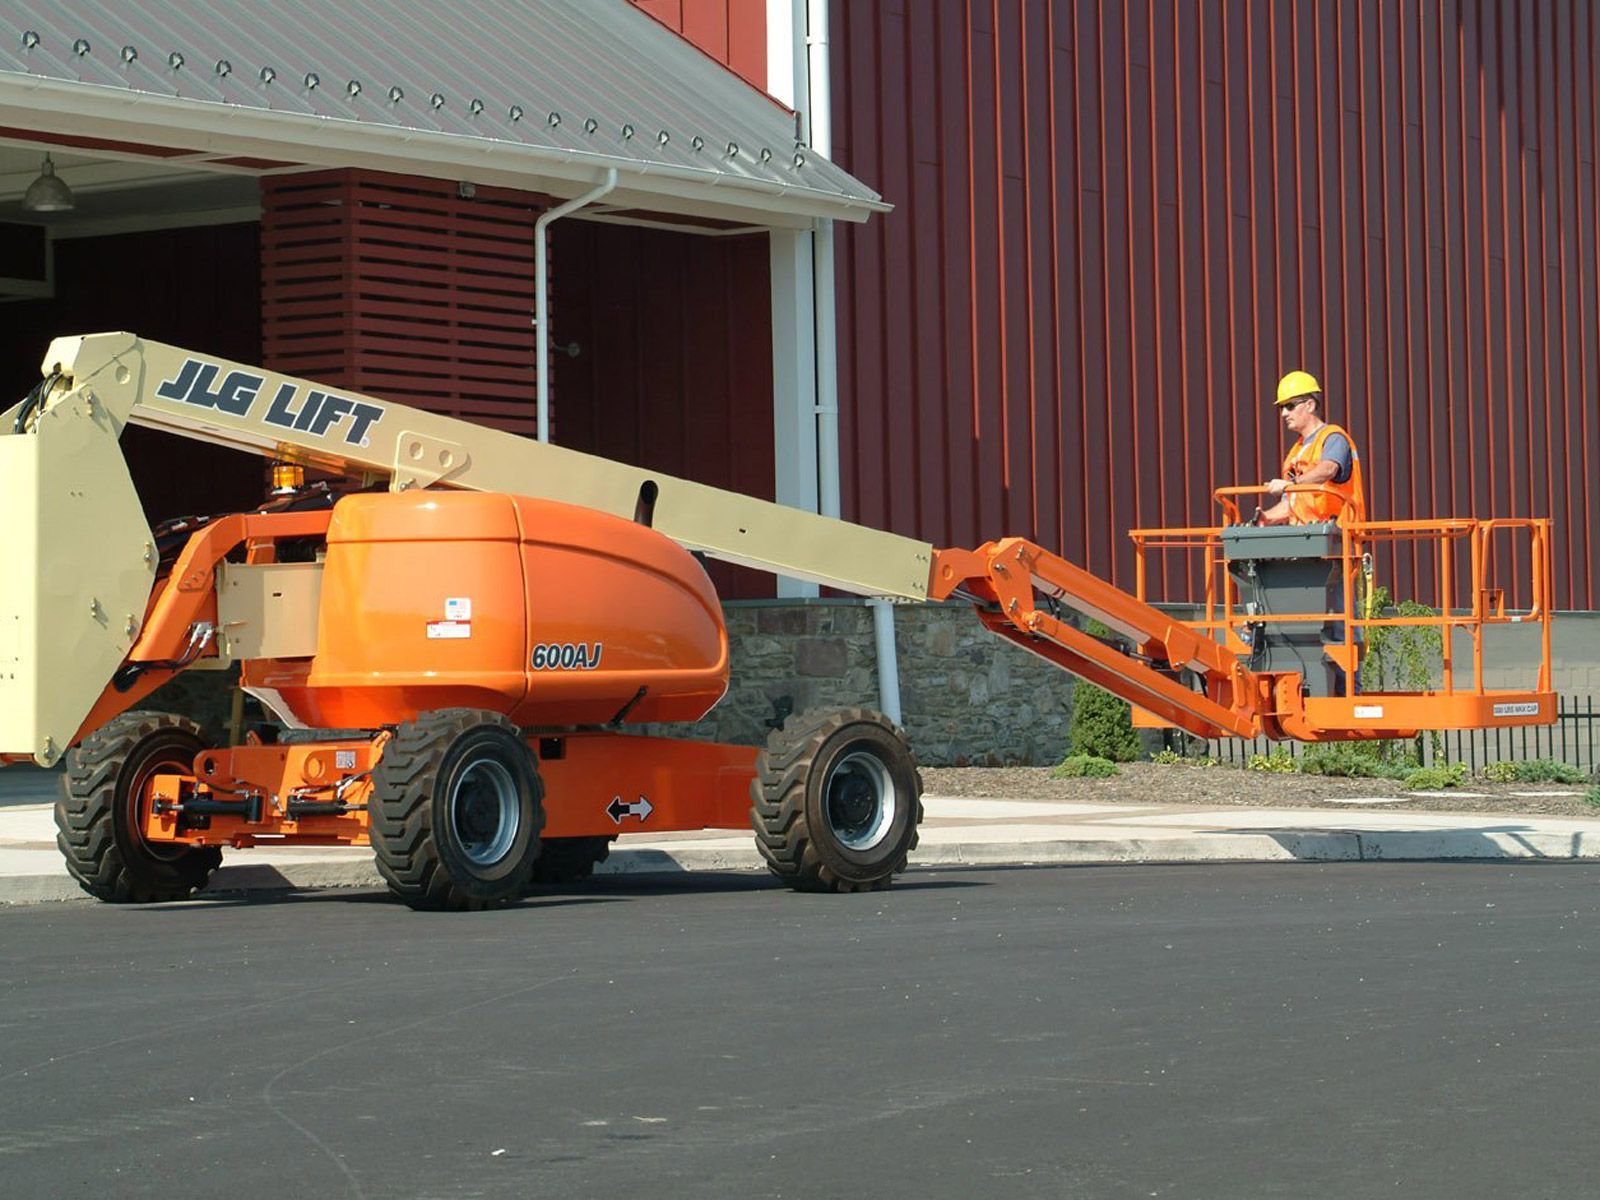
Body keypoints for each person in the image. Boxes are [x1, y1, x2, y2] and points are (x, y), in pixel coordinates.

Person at [1259, 370, 1365, 526]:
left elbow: (1328, 469)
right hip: (1306, 537)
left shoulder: (1333, 437)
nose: (1284, 413)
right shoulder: (1296, 452)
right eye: (1281, 408)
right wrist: (1265, 518)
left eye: (1290, 406)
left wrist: (1292, 484)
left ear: (1310, 405)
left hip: (1337, 536)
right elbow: (1292, 502)